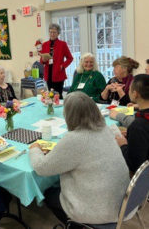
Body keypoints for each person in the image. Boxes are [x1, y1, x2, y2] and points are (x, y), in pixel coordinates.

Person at [29, 91, 129, 226]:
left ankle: (75, 225)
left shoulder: (75, 139)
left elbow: (41, 168)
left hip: (101, 210)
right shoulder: (104, 128)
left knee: (47, 192)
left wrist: (34, 149)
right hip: (123, 202)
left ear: (69, 116)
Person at [115, 74, 149, 173]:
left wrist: (123, 145)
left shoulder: (138, 125)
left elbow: (133, 165)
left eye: (129, 88)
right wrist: (131, 135)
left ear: (135, 94)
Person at [109, 59, 149, 127]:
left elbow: (140, 124)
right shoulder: (112, 80)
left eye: (147, 71)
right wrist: (137, 106)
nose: (145, 75)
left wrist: (118, 115)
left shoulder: (135, 82)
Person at [40, 23, 73, 98]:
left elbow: (70, 58)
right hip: (48, 74)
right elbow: (42, 61)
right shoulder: (45, 44)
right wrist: (43, 59)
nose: (52, 34)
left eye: (54, 32)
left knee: (58, 95)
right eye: (51, 32)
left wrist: (62, 66)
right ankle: (52, 108)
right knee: (51, 95)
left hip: (58, 73)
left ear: (58, 33)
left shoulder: (62, 44)